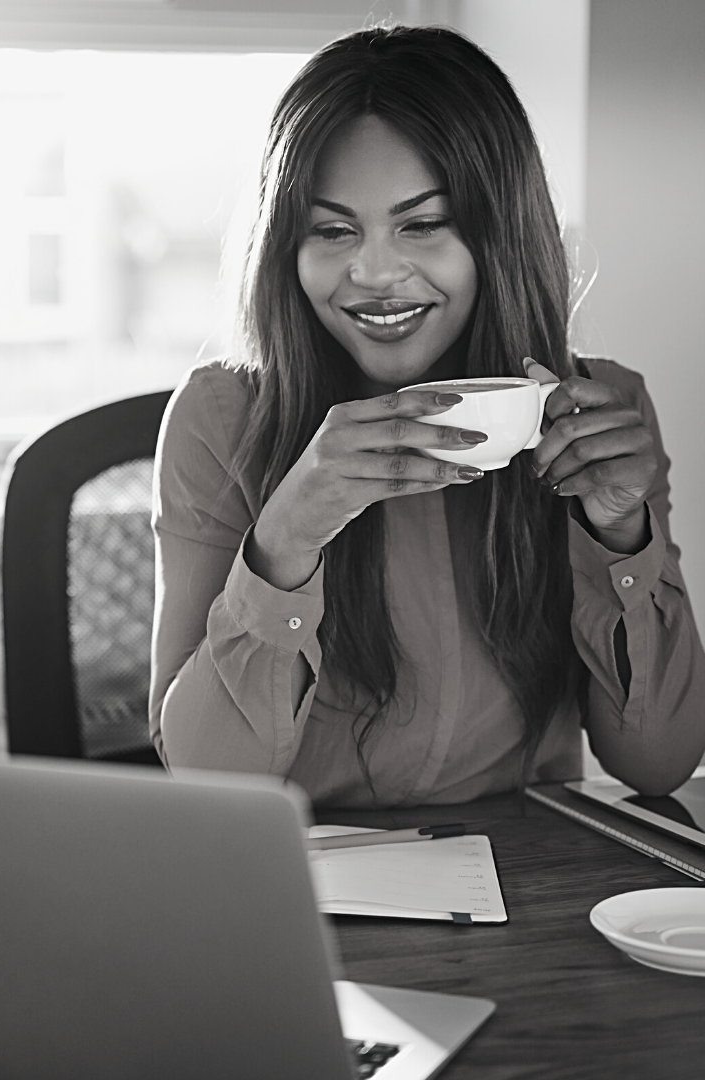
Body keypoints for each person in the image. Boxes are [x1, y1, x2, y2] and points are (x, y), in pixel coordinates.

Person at [149, 25, 705, 808]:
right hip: (302, 893)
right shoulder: (222, 418)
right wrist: (285, 541)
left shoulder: (597, 414)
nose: (373, 272)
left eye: (423, 224)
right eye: (332, 230)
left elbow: (659, 763)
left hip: (524, 891)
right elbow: (206, 782)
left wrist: (621, 534)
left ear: (499, 233)